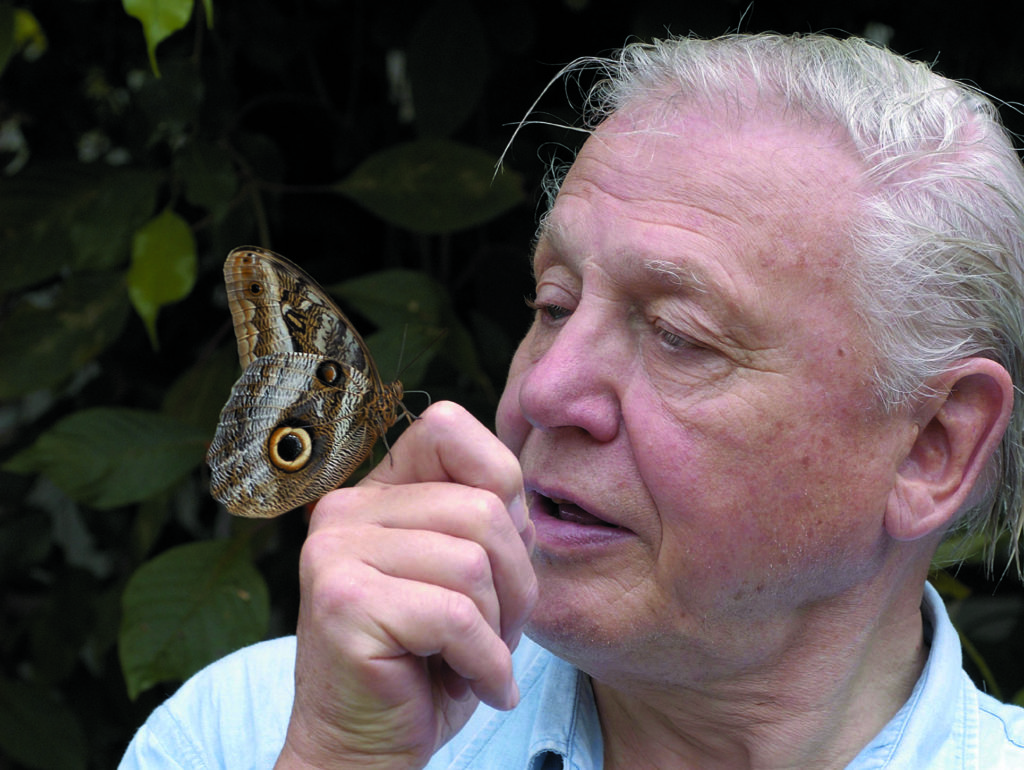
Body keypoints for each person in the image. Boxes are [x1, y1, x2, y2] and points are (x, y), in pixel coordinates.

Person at [120, 32, 1024, 769]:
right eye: (553, 304)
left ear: (930, 448)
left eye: (680, 336)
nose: (542, 390)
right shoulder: (256, 731)